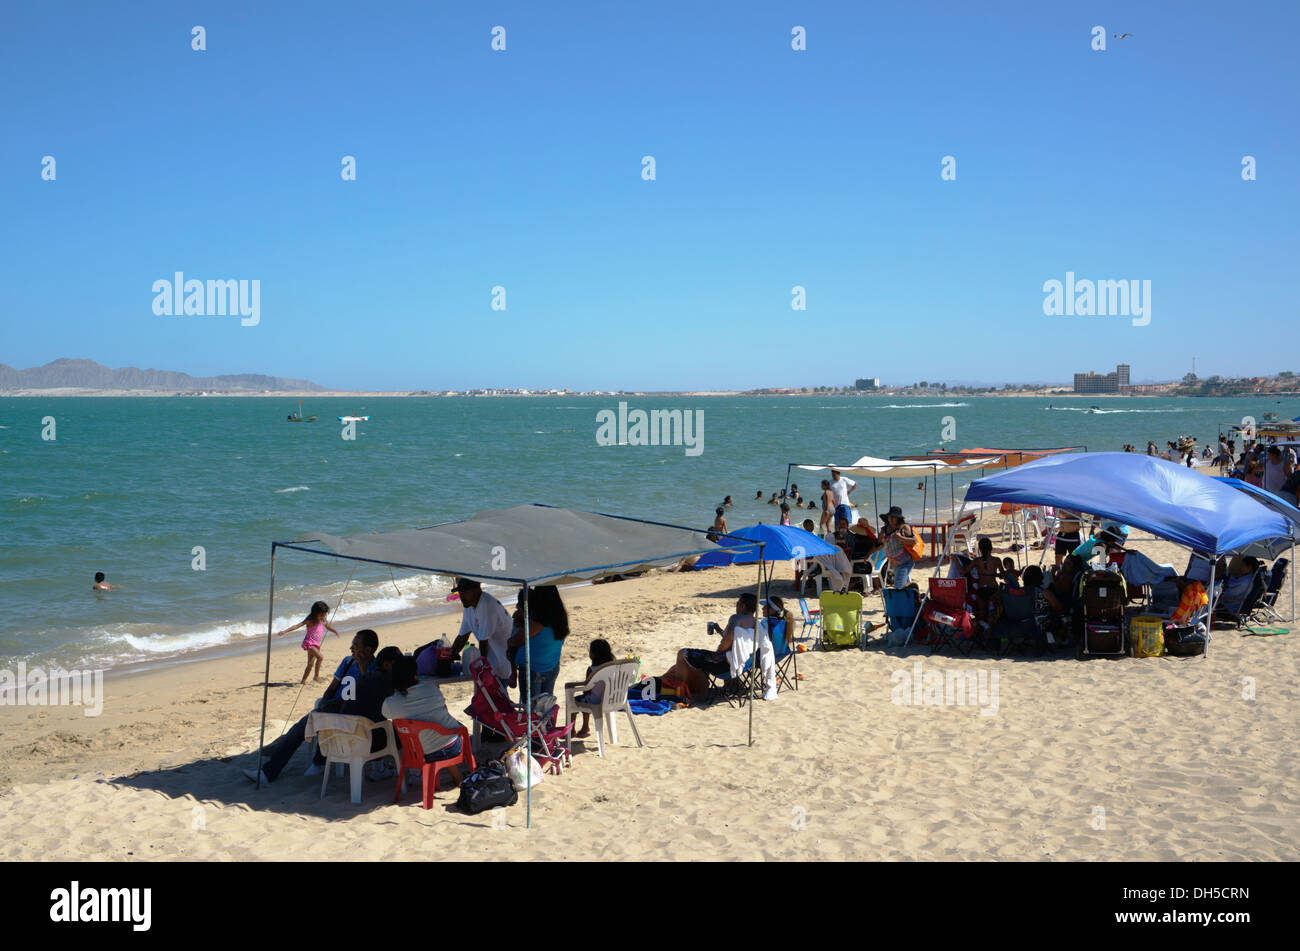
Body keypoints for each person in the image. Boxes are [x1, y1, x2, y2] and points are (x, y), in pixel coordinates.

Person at [243, 634, 397, 785]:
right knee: (298, 729)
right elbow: (331, 688)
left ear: (368, 650)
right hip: (336, 708)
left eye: (356, 646)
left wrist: (363, 668)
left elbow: (369, 694)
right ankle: (267, 773)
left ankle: (319, 761)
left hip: (357, 717)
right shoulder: (348, 662)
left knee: (324, 722)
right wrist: (325, 702)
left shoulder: (376, 669)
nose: (351, 648)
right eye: (352, 644)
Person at [382, 656, 466, 788]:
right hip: (448, 748)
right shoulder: (431, 690)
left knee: (433, 736)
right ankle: (458, 778)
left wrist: (396, 690)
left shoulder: (391, 704)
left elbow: (385, 713)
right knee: (444, 732)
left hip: (415, 753)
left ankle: (455, 777)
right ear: (415, 676)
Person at [661, 594, 757, 702]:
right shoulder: (756, 623)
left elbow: (727, 640)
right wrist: (720, 630)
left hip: (725, 665)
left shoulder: (736, 618)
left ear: (743, 606)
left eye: (737, 604)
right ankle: (702, 693)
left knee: (682, 654)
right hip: (744, 664)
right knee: (701, 658)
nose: (737, 606)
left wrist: (718, 652)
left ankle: (680, 692)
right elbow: (735, 640)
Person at [506, 585, 569, 701]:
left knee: (532, 711)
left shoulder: (539, 620)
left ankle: (513, 674)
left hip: (534, 669)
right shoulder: (559, 617)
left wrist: (509, 641)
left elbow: (517, 640)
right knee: (545, 707)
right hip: (552, 665)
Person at [449, 578, 513, 684]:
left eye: (464, 592)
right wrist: (449, 656)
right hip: (492, 662)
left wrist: (484, 669)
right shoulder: (469, 606)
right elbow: (462, 637)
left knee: (498, 698)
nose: (461, 596)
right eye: (460, 592)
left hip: (502, 662)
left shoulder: (488, 606)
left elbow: (484, 642)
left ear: (476, 590)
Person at [276, 600, 340, 684]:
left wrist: (334, 631)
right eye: (321, 614)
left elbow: (328, 627)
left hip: (316, 644)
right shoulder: (310, 620)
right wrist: (285, 631)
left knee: (310, 664)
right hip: (309, 643)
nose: (322, 616)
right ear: (315, 612)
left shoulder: (323, 619)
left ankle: (303, 681)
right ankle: (316, 677)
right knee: (320, 657)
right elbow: (297, 625)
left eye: (324, 614)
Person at [569, 638, 616, 738]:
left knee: (576, 700)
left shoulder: (592, 670)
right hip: (611, 701)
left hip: (595, 702)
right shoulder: (614, 668)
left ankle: (572, 730)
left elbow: (587, 689)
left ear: (594, 654)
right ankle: (584, 728)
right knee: (587, 698)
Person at [964, 537, 1003, 631]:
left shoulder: (976, 561)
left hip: (981, 591)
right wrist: (994, 574)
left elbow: (963, 572)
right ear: (991, 548)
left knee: (981, 614)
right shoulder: (997, 560)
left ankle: (982, 631)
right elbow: (1002, 576)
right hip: (993, 589)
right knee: (993, 614)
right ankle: (991, 630)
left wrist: (956, 561)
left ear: (980, 549)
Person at [879, 506, 916, 588]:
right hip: (894, 564)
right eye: (890, 517)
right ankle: (912, 600)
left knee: (899, 586)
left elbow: (914, 541)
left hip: (905, 562)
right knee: (905, 587)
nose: (891, 519)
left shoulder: (904, 527)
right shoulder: (885, 530)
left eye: (894, 517)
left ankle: (906, 600)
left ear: (898, 518)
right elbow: (879, 544)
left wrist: (900, 537)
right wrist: (868, 554)